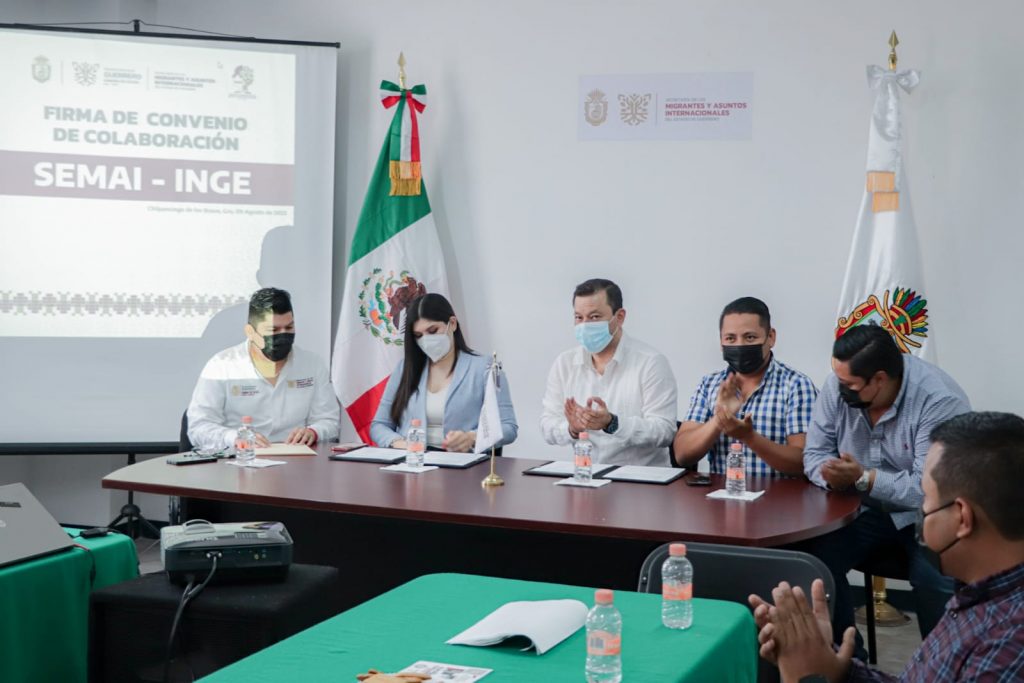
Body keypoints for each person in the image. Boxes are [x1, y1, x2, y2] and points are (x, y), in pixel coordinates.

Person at [750, 411, 1024, 682]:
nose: (921, 512)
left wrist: (801, 676)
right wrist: (836, 669)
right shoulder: (979, 598)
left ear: (962, 517)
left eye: (926, 499)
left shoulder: (1006, 650)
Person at [799, 324, 970, 653]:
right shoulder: (838, 385)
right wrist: (830, 476)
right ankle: (847, 661)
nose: (839, 389)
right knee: (813, 560)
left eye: (849, 385)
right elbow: (814, 454)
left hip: (929, 514)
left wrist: (864, 478)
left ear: (879, 379)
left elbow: (929, 490)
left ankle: (941, 667)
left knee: (937, 580)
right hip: (862, 510)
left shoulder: (938, 399)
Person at [673, 297, 818, 476]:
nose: (740, 345)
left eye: (750, 337)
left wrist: (749, 438)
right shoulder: (709, 385)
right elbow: (682, 455)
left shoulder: (797, 385)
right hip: (723, 493)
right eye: (730, 338)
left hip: (778, 494)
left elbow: (804, 461)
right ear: (721, 342)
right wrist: (720, 419)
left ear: (771, 337)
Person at [540, 278, 677, 466]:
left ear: (619, 317)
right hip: (585, 474)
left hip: (639, 478)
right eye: (579, 317)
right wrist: (572, 428)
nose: (585, 325)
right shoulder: (564, 363)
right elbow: (547, 425)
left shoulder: (651, 362)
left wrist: (613, 423)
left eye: (594, 317)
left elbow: (665, 432)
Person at [187, 287, 340, 449]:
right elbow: (199, 428)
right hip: (240, 457)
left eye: (289, 328)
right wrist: (236, 438)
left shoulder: (313, 364)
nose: (283, 336)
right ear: (250, 332)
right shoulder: (221, 366)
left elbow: (329, 421)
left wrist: (314, 432)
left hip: (296, 458)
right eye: (273, 330)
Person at [370, 293, 517, 451]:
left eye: (433, 331)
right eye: (418, 335)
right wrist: (400, 443)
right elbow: (379, 425)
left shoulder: (486, 368)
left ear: (452, 324)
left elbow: (508, 427)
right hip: (412, 460)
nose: (426, 340)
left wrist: (472, 437)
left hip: (462, 462)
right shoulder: (404, 368)